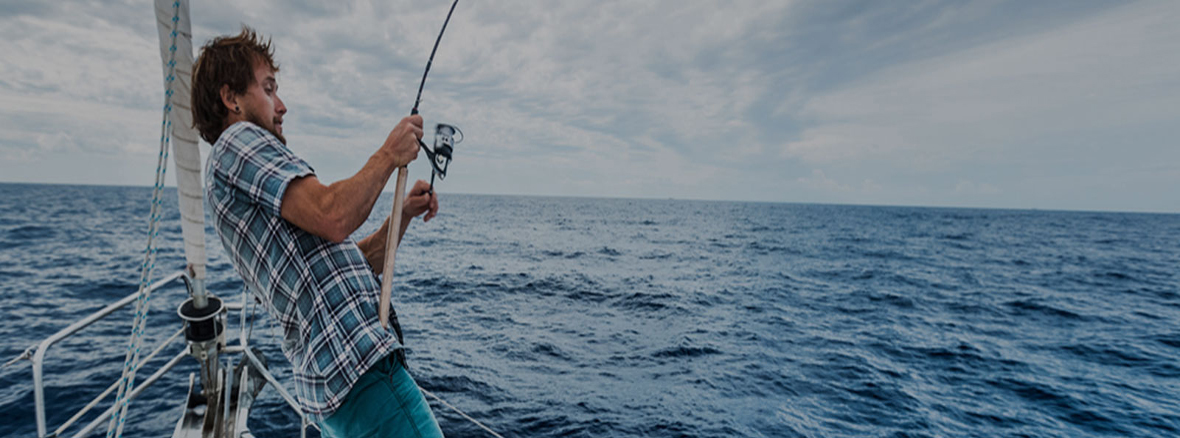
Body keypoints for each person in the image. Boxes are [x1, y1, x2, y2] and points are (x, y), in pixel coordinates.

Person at [191, 26, 444, 438]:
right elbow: (334, 214)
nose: (282, 105)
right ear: (230, 98)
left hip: (338, 386)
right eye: (269, 88)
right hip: (362, 375)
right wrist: (389, 153)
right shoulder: (237, 142)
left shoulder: (236, 172)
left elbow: (352, 265)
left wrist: (403, 215)